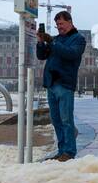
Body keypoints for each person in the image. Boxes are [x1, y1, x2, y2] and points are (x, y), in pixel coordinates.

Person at [36, 11, 87, 161]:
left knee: (66, 119)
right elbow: (42, 56)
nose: (59, 27)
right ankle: (62, 150)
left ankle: (69, 151)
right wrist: (40, 42)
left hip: (65, 84)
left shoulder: (78, 39)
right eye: (57, 25)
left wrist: (52, 42)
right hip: (51, 84)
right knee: (56, 120)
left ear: (70, 22)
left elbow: (70, 54)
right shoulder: (57, 39)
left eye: (61, 24)